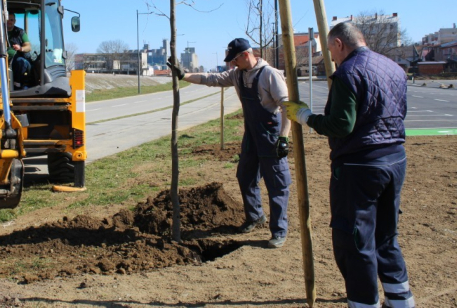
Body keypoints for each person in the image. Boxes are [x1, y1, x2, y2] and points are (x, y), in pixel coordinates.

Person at [283, 22, 415, 308]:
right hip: (395, 159)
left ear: (339, 44)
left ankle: (364, 302)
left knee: (354, 240)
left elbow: (342, 125)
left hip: (360, 166)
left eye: (331, 50)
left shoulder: (348, 72)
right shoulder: (393, 68)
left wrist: (306, 116)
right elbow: (400, 111)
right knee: (386, 235)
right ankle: (401, 300)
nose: (332, 58)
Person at [168, 38, 292, 248]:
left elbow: (287, 106)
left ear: (246, 55)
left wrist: (284, 137)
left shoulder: (270, 75)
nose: (232, 64)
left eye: (235, 59)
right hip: (252, 135)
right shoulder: (237, 75)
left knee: (277, 184)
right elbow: (211, 78)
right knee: (245, 176)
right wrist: (183, 75)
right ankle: (255, 216)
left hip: (271, 135)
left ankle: (279, 230)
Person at [6, 13, 32, 90]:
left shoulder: (20, 32)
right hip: (3, 59)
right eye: (7, 19)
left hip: (18, 60)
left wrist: (20, 48)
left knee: (21, 62)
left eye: (11, 20)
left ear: (15, 21)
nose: (9, 21)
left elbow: (28, 47)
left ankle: (17, 85)